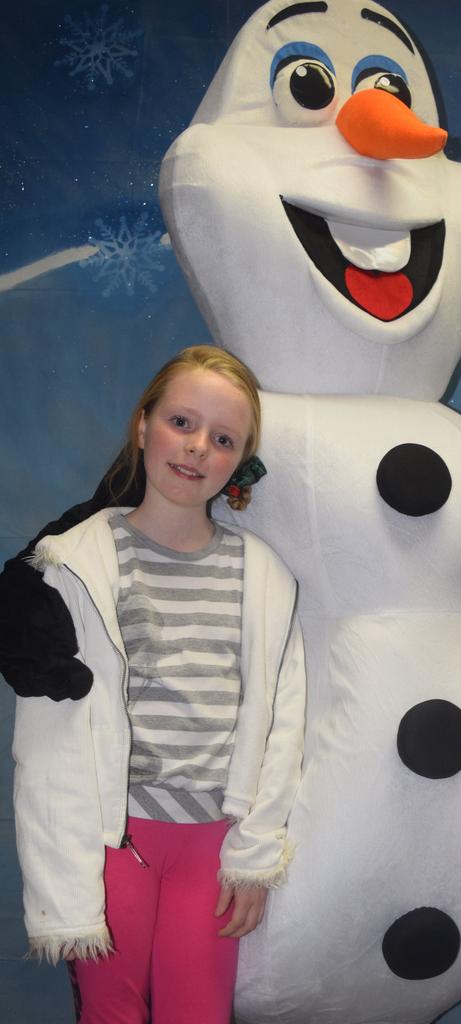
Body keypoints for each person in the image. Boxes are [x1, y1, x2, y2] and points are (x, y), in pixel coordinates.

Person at [12, 345, 306, 1024]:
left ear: (239, 461)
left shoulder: (262, 574)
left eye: (223, 438)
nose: (198, 447)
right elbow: (48, 733)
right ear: (143, 426)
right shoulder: (74, 561)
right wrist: (64, 854)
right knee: (111, 1012)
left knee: (196, 1014)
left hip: (212, 842)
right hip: (115, 838)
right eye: (182, 421)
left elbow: (284, 723)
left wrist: (254, 858)